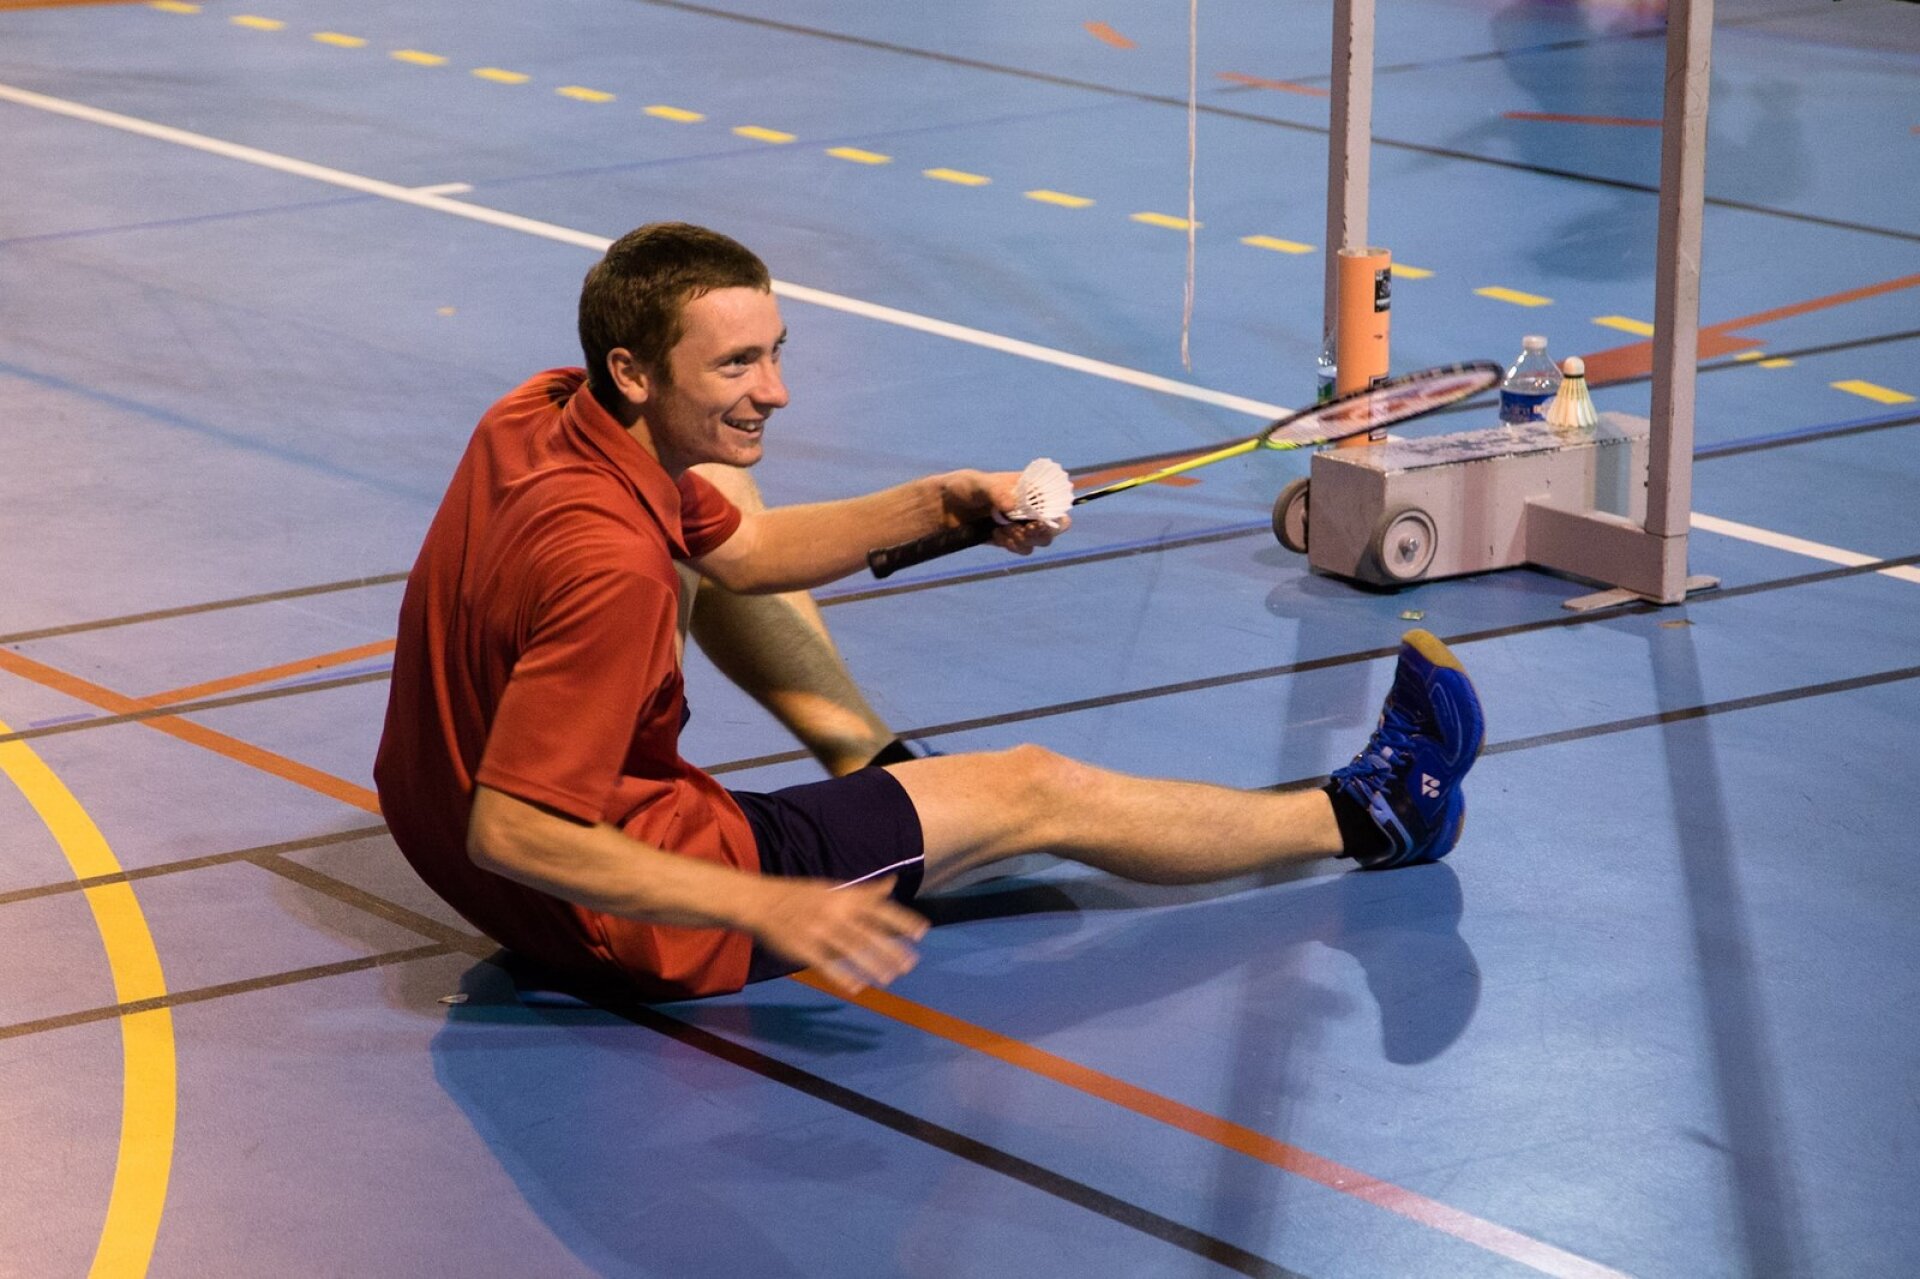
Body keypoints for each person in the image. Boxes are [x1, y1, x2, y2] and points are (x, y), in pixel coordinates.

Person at [374, 222, 1486, 1004]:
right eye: (737, 364)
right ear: (632, 368)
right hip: (618, 911)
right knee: (1035, 787)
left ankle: (887, 778)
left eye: (775, 353)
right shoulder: (613, 571)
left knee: (723, 499)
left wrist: (943, 501)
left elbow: (748, 551)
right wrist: (760, 904)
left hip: (442, 840)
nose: (776, 390)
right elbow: (516, 831)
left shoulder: (539, 412)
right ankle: (1373, 812)